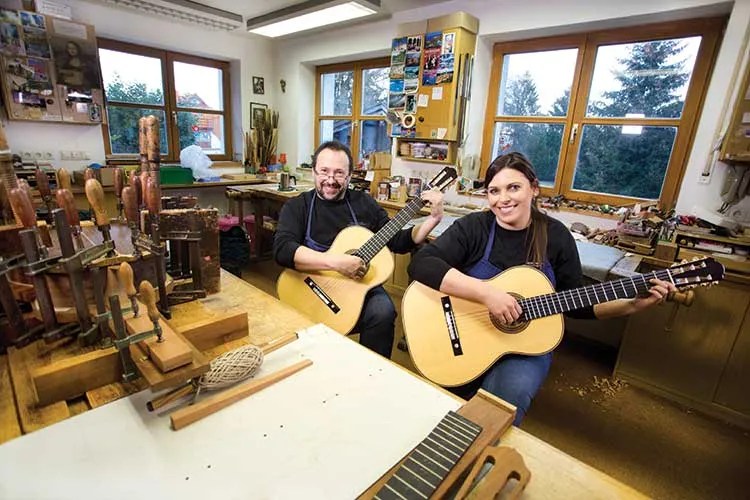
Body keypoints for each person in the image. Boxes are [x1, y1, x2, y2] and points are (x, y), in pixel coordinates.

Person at [407, 152, 676, 425]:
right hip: (467, 332)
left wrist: (633, 304)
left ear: (534, 189)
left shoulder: (555, 236)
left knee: (503, 404)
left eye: (514, 187)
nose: (503, 199)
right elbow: (422, 264)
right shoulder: (474, 227)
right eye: (494, 191)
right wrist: (487, 294)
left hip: (525, 346)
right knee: (439, 406)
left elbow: (579, 305)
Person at [273, 140, 444, 358]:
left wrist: (434, 219)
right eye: (324, 171)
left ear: (350, 175)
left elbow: (398, 242)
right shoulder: (299, 206)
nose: (331, 180)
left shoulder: (364, 203)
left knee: (383, 312)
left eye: (339, 173)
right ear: (314, 172)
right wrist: (337, 263)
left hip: (358, 287)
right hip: (310, 287)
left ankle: (371, 372)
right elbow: (282, 250)